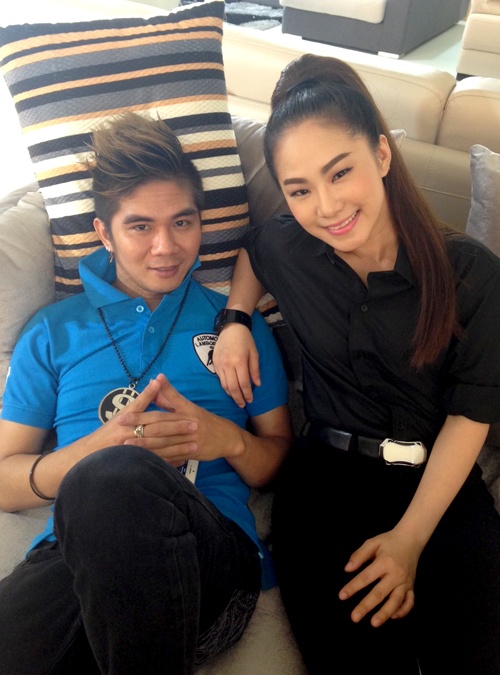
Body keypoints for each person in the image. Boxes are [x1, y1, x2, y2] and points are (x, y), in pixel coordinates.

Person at [212, 54, 500, 675]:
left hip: (440, 488)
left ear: (382, 155)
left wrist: (410, 540)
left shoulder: (471, 274)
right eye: (299, 190)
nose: (326, 206)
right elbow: (254, 252)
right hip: (325, 487)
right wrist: (235, 318)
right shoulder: (290, 244)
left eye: (340, 172)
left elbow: (471, 414)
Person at [0, 112, 293, 675]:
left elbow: (279, 459)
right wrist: (94, 451)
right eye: (140, 227)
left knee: (116, 477)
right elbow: (6, 482)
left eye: (183, 222)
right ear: (103, 232)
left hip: (211, 559)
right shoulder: (52, 332)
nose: (166, 247)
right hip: (73, 559)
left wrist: (227, 440)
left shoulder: (237, 327)